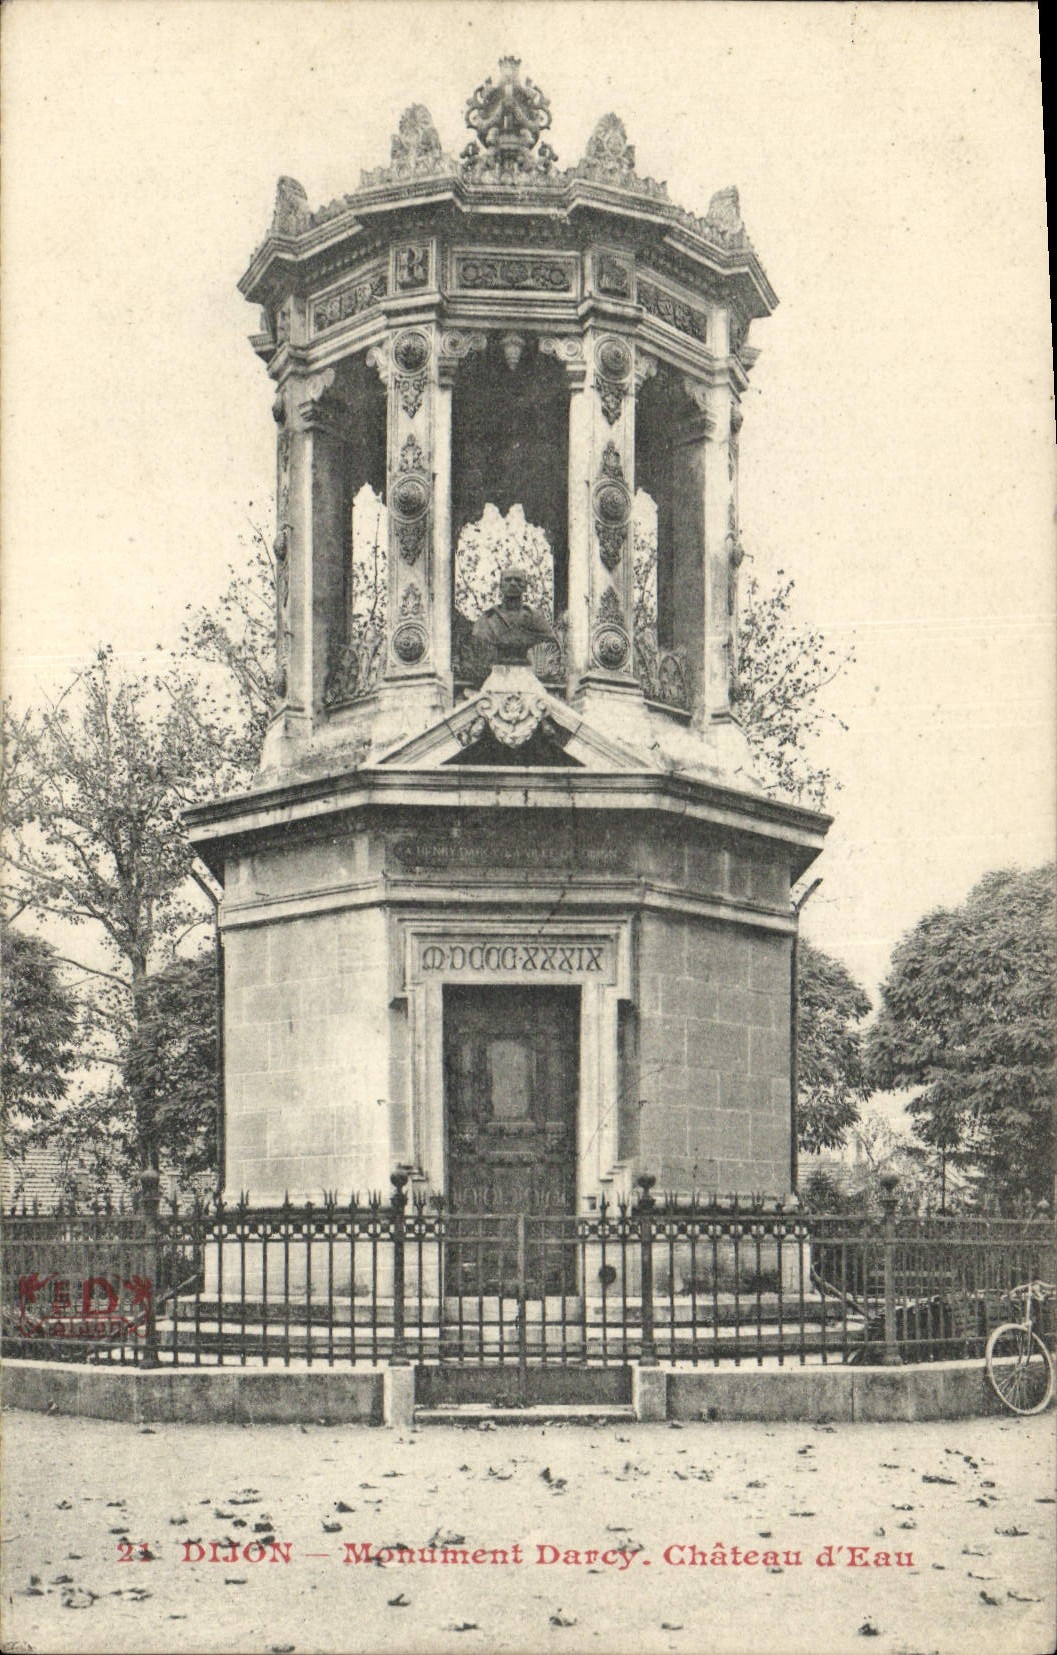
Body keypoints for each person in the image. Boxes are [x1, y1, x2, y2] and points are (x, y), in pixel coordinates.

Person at [470, 567, 556, 670]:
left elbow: (551, 642)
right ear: (501, 586)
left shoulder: (536, 619)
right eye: (508, 579)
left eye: (518, 580)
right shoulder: (486, 620)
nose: (513, 583)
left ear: (525, 587)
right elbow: (478, 642)